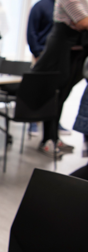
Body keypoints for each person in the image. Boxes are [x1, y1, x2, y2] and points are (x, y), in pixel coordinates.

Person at [32, 0, 88, 157]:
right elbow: (83, 22)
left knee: (61, 98)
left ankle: (54, 138)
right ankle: (48, 140)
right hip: (60, 53)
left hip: (75, 53)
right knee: (54, 97)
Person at [27, 0, 55, 137]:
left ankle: (53, 122)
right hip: (41, 55)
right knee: (37, 89)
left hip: (58, 56)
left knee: (55, 91)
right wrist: (37, 53)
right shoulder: (40, 6)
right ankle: (32, 121)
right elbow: (31, 32)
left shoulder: (63, 7)